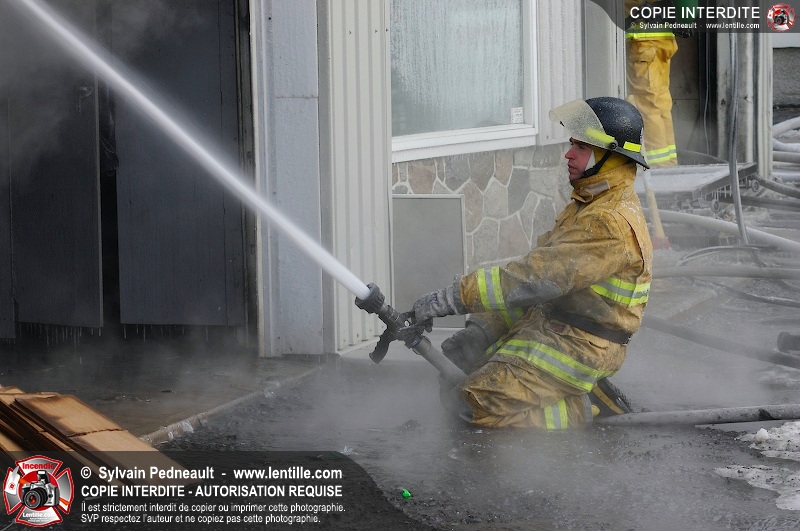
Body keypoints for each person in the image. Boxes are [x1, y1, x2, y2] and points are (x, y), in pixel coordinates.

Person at [407, 97, 653, 429]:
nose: (568, 154)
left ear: (611, 156)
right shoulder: (590, 204)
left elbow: (533, 280)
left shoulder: (608, 222)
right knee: (458, 375)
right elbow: (538, 289)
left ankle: (582, 407)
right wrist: (481, 331)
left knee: (473, 405)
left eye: (581, 147)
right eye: (572, 144)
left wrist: (450, 299)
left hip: (580, 345)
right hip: (554, 323)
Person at [624, 0, 691, 167]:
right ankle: (669, 164)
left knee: (648, 107)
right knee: (660, 105)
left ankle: (659, 168)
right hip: (659, 40)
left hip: (645, 43)